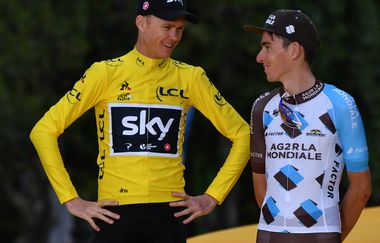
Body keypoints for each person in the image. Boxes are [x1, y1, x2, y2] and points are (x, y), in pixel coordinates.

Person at [29, 1, 250, 242]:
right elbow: (43, 131)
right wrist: (70, 199)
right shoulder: (104, 73)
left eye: (180, 29)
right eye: (167, 27)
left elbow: (243, 135)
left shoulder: (191, 77)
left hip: (169, 213)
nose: (174, 37)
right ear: (141, 23)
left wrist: (212, 196)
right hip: (114, 212)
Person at [245, 9, 372, 243]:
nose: (259, 57)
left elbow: (361, 189)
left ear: (294, 50)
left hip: (285, 235)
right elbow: (260, 186)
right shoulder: (262, 106)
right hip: (280, 233)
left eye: (267, 47)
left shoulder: (339, 104)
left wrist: (332, 234)